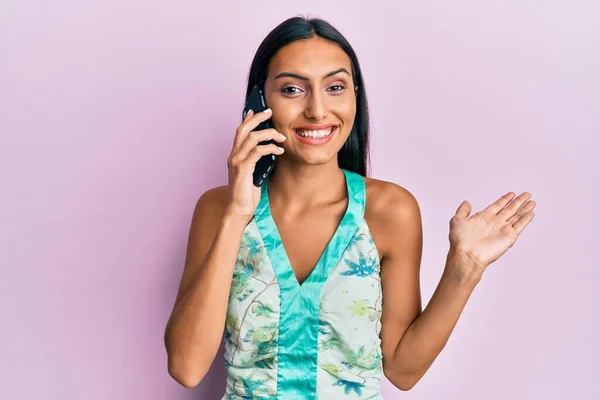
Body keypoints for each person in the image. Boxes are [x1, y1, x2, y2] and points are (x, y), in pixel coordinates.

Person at [164, 16, 536, 399]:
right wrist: (238, 213)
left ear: (354, 96)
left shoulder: (390, 211)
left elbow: (403, 370)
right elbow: (186, 368)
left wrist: (466, 267)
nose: (318, 110)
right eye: (292, 89)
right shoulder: (218, 209)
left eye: (335, 87)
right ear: (259, 102)